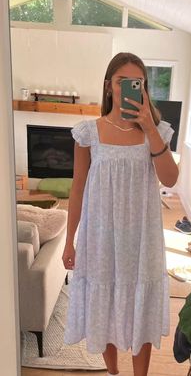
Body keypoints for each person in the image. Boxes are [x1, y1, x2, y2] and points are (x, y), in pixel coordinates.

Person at [62, 52, 179, 376]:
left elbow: (170, 178)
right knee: (106, 306)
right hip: (100, 239)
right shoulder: (89, 132)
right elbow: (78, 188)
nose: (129, 88)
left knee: (141, 308)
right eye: (121, 81)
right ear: (109, 87)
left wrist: (149, 128)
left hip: (143, 239)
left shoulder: (157, 131)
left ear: (143, 88)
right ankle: (113, 373)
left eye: (136, 83)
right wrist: (69, 241)